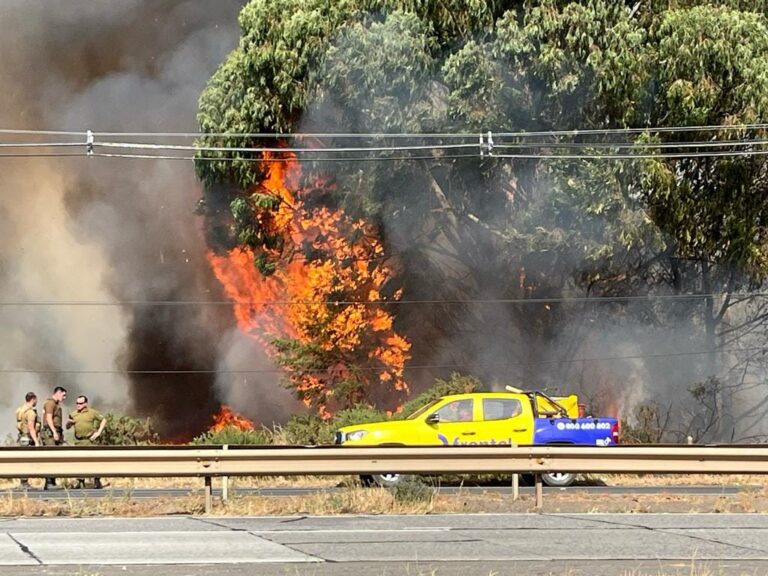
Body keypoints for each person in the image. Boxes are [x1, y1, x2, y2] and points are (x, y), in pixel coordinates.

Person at [66, 395, 107, 489]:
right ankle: (80, 481)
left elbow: (104, 419)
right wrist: (69, 423)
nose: (78, 405)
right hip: (79, 441)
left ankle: (96, 480)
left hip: (90, 441)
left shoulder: (92, 412)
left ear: (85, 404)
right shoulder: (73, 414)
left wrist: (98, 433)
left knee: (94, 462)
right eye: (77, 403)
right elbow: (67, 427)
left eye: (80, 403)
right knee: (79, 462)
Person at [41, 386, 67, 490]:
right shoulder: (50, 403)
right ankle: (49, 483)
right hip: (50, 434)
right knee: (50, 458)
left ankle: (52, 482)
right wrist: (54, 432)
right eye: (63, 395)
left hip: (55, 433)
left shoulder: (55, 404)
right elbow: (48, 418)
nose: (64, 397)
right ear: (58, 393)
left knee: (55, 458)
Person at [15, 392, 41, 490]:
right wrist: (37, 442)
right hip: (27, 438)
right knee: (27, 461)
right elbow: (31, 428)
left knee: (22, 460)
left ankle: (23, 481)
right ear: (33, 399)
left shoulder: (19, 410)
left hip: (21, 437)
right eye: (36, 400)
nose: (36, 402)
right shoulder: (30, 412)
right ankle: (24, 483)